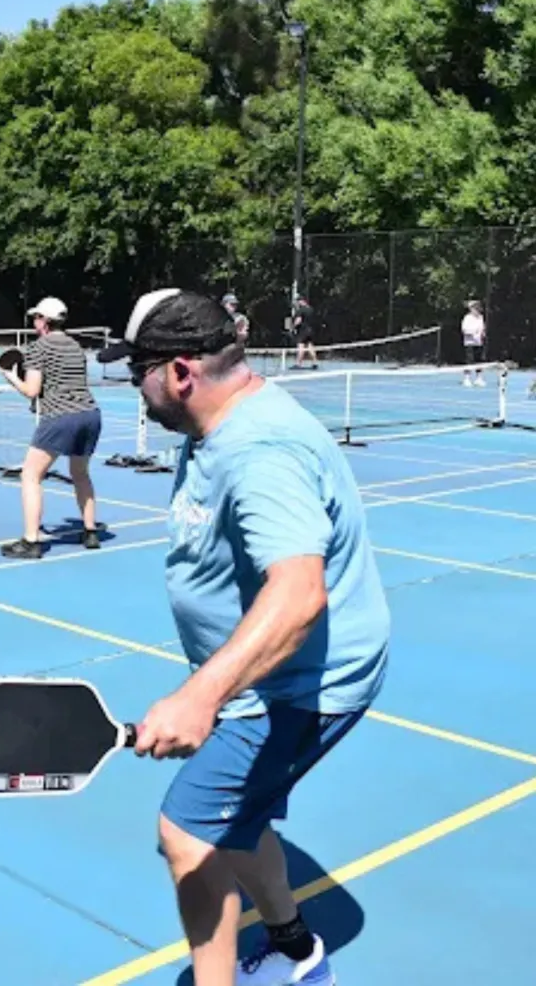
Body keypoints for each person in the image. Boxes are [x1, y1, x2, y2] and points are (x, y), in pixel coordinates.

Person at [96, 289, 390, 986]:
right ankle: (297, 950)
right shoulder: (218, 422)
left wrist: (202, 694)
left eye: (135, 370)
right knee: (239, 818)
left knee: (187, 834)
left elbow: (298, 594)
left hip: (296, 687)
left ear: (178, 372)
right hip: (263, 681)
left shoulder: (261, 449)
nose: (131, 387)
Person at [0, 296, 102, 559]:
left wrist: (11, 377)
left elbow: (31, 390)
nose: (34, 321)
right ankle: (90, 532)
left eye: (36, 317)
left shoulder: (38, 348)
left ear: (44, 321)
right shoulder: (76, 346)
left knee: (30, 475)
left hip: (60, 417)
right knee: (81, 474)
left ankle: (31, 541)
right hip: (90, 415)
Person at [460, 299, 486, 387]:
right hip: (469, 343)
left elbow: (482, 328)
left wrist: (482, 333)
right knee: (469, 360)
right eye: (475, 308)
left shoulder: (481, 317)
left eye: (478, 308)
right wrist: (473, 332)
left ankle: (479, 378)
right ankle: (467, 378)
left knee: (479, 360)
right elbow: (464, 329)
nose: (477, 310)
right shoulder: (467, 318)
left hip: (478, 343)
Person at [291, 296, 317, 369]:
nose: (298, 303)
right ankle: (314, 363)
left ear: (302, 301)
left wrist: (293, 327)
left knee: (300, 347)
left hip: (303, 331)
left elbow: (298, 320)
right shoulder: (311, 309)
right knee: (310, 346)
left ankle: (298, 364)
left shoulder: (301, 310)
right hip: (311, 331)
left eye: (298, 301)